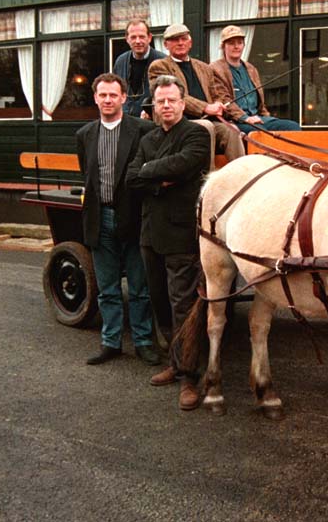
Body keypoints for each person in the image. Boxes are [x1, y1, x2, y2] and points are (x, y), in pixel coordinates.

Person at [125, 75, 210, 410]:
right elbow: (132, 178)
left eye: (172, 100)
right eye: (160, 102)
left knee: (184, 306)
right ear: (155, 105)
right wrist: (160, 181)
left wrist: (149, 172)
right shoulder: (149, 138)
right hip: (150, 235)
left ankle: (190, 376)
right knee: (159, 301)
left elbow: (186, 165)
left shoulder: (196, 134)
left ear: (182, 101)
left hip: (180, 235)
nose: (166, 106)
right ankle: (174, 364)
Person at [77, 73, 159, 366]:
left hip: (134, 218)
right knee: (108, 288)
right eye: (103, 95)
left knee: (139, 288)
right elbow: (88, 178)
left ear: (124, 98)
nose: (108, 100)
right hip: (100, 220)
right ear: (95, 98)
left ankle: (143, 342)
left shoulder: (143, 130)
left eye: (114, 95)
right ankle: (110, 342)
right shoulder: (84, 135)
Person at [147, 23, 245, 169]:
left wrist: (218, 105)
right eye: (175, 40)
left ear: (190, 42)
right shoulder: (159, 66)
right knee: (206, 127)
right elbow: (175, 96)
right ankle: (206, 181)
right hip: (177, 122)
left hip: (208, 120)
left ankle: (241, 176)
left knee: (232, 130)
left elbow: (215, 94)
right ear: (166, 44)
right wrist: (206, 108)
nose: (180, 43)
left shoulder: (204, 67)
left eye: (183, 39)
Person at [210, 25, 301, 135]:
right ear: (223, 46)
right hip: (235, 120)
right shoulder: (215, 69)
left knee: (293, 127)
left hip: (258, 118)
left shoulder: (251, 69)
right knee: (260, 133)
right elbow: (223, 100)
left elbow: (260, 102)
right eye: (231, 43)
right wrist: (245, 118)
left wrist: (266, 116)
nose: (236, 46)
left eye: (239, 42)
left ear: (244, 45)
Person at [113, 20, 167, 117]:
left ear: (149, 38)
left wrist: (151, 111)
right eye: (133, 37)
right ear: (127, 39)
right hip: (125, 120)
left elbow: (168, 94)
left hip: (152, 121)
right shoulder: (120, 61)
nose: (138, 41)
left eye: (142, 37)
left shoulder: (163, 61)